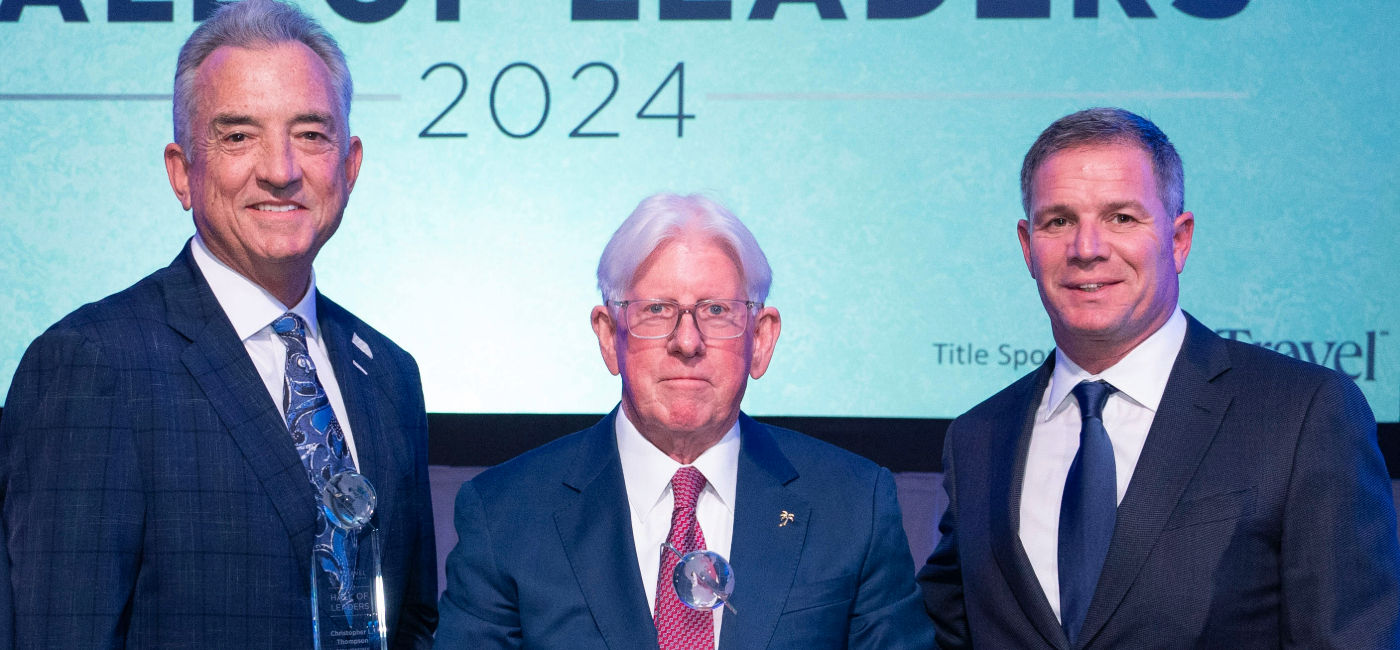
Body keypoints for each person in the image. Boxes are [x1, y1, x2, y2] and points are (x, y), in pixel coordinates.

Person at [0, 0, 437, 645]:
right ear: (181, 173)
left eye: (311, 134)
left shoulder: (390, 373)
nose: (280, 169)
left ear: (350, 164)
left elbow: (413, 622)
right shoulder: (92, 363)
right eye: (238, 135)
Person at [917, 107, 1400, 648]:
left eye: (1122, 218)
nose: (1087, 248)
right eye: (1059, 221)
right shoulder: (978, 437)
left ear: (1179, 239)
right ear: (1028, 247)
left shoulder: (1302, 413)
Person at [435, 193, 934, 648]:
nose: (688, 341)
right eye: (657, 309)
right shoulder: (506, 515)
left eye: (716, 310)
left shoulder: (851, 505)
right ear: (610, 336)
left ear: (760, 340)